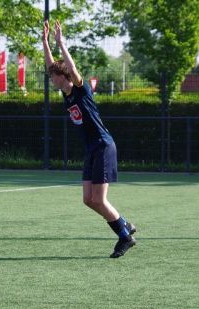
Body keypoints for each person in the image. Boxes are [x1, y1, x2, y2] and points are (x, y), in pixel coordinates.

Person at [42, 20, 137, 258]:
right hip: (91, 150)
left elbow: (72, 69)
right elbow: (51, 64)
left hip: (104, 146)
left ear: (63, 77)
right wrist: (44, 42)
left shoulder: (80, 90)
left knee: (99, 199)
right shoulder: (65, 96)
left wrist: (60, 43)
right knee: (88, 200)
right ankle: (124, 224)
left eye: (54, 76)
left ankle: (125, 237)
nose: (51, 79)